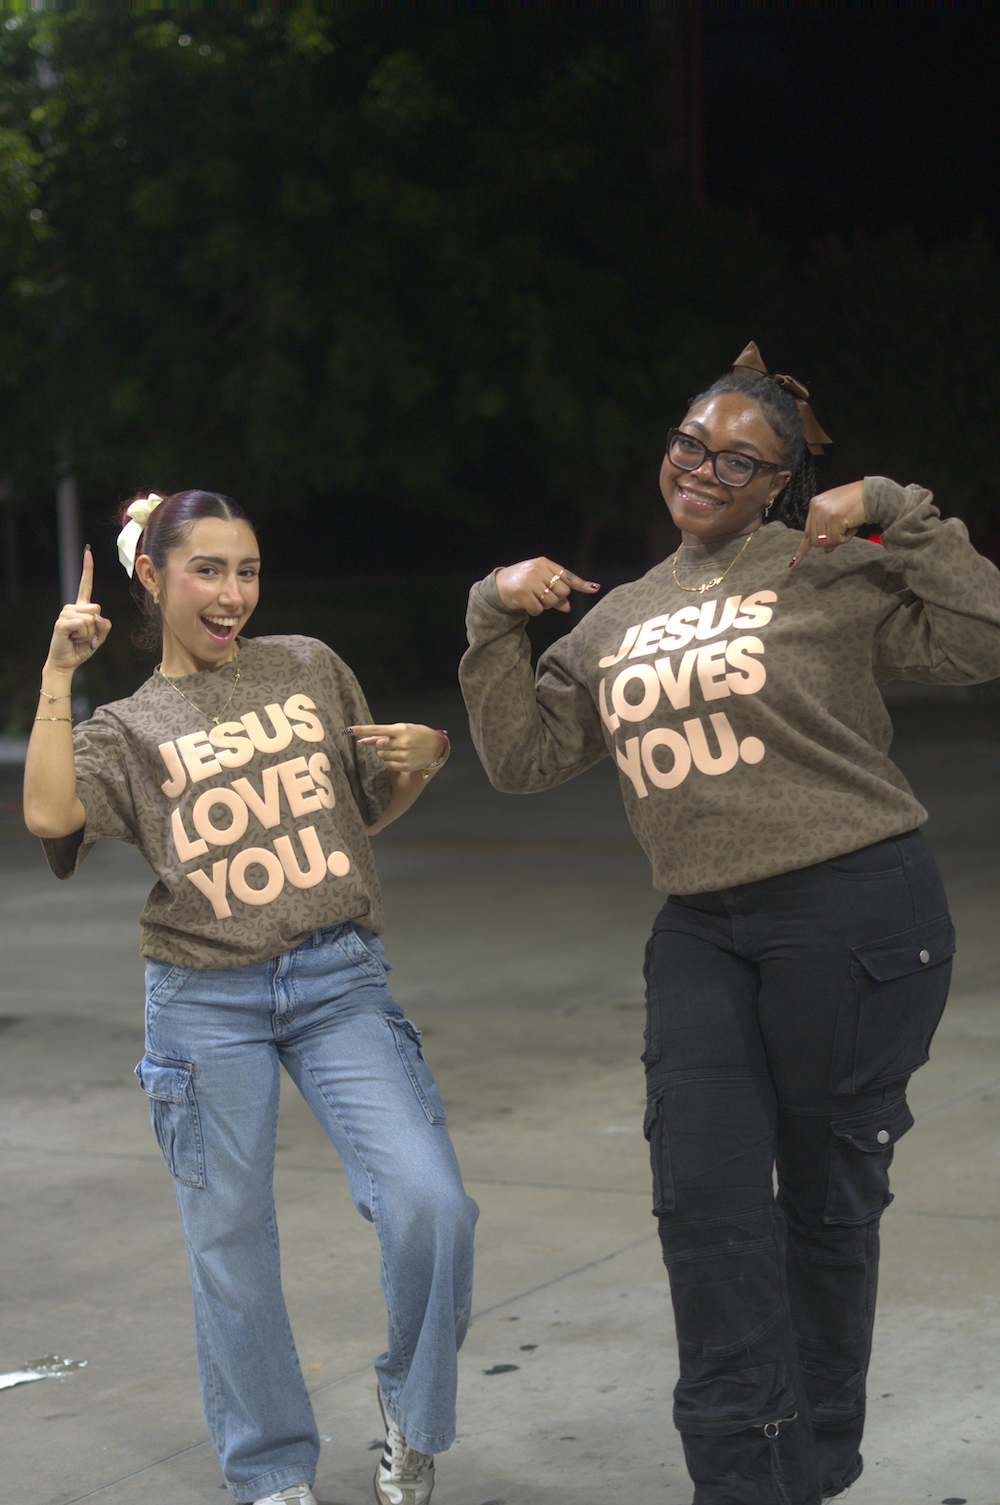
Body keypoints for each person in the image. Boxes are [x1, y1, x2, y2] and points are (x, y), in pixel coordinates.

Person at [458, 342, 1000, 1505]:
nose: (703, 469)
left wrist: (900, 511)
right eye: (690, 444)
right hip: (701, 928)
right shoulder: (621, 617)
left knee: (821, 1200)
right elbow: (522, 755)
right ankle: (740, 1478)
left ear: (777, 485)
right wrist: (490, 616)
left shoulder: (827, 572)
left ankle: (807, 1463)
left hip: (853, 907)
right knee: (701, 1201)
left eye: (739, 460)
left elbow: (983, 634)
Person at [23, 488, 478, 1505]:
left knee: (431, 1204)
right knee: (231, 1244)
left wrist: (426, 763)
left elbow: (359, 813)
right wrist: (59, 670)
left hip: (336, 980)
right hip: (202, 1000)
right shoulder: (126, 728)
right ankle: (270, 1469)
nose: (232, 594)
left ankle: (412, 1418)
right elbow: (49, 809)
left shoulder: (308, 666)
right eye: (208, 570)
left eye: (248, 569)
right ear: (154, 577)